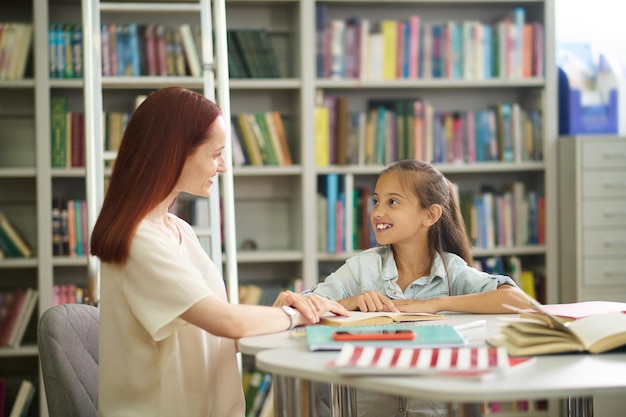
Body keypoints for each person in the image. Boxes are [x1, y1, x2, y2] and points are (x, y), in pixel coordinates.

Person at [90, 86, 349, 417]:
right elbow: (226, 322)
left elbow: (214, 330)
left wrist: (273, 314)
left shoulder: (178, 230)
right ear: (175, 153)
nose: (224, 166)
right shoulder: (138, 241)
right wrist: (299, 314)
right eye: (215, 154)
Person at [276, 159, 529, 417]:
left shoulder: (451, 270)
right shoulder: (363, 268)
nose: (377, 212)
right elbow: (299, 306)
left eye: (392, 202)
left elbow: (516, 300)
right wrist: (347, 303)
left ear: (430, 215)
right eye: (376, 201)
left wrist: (434, 303)